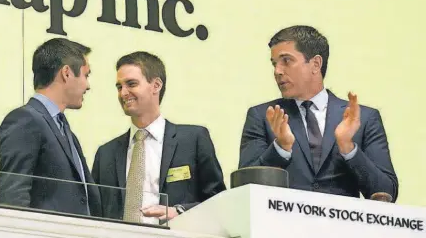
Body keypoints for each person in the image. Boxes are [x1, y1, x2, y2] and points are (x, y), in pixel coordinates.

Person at [239, 25, 398, 201]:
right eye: (274, 63)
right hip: (282, 226)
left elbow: (387, 191)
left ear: (315, 64)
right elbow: (243, 189)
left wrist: (349, 148)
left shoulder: (364, 118)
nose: (277, 71)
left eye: (286, 61)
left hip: (343, 226)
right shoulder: (263, 116)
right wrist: (280, 148)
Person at [92, 51, 226, 224]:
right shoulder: (106, 154)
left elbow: (219, 202)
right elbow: (94, 211)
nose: (123, 93)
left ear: (156, 85)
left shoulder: (193, 140)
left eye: (131, 84)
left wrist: (179, 211)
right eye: (119, 87)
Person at [0, 38, 101, 216]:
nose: (88, 85)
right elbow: (13, 197)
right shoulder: (24, 120)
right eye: (86, 75)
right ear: (66, 73)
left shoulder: (65, 130)